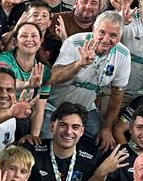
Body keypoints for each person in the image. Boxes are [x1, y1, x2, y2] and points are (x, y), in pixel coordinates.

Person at [51, 11, 130, 147]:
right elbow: (53, 77)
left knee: (103, 143)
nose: (106, 39)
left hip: (85, 110)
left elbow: (117, 95)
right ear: (94, 28)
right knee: (51, 142)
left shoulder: (123, 55)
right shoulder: (74, 42)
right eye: (102, 33)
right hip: (54, 106)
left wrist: (107, 128)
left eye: (113, 35)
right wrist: (79, 64)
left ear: (120, 36)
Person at [0, 18, 49, 140]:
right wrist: (28, 84)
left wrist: (33, 137)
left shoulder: (45, 70)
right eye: (24, 36)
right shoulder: (2, 59)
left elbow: (40, 107)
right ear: (16, 42)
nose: (29, 40)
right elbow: (2, 84)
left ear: (40, 41)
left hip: (23, 116)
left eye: (34, 36)